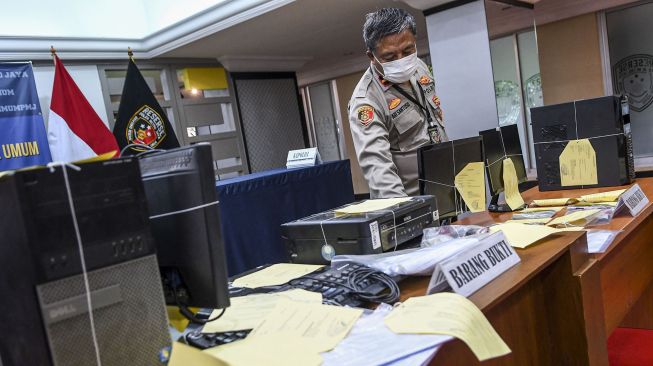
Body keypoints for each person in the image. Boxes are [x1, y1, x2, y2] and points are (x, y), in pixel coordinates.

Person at [348, 8, 447, 198]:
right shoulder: (366, 101)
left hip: (445, 190)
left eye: (408, 50)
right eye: (390, 57)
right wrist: (408, 214)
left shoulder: (419, 67)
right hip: (413, 202)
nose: (402, 60)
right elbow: (379, 171)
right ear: (372, 56)